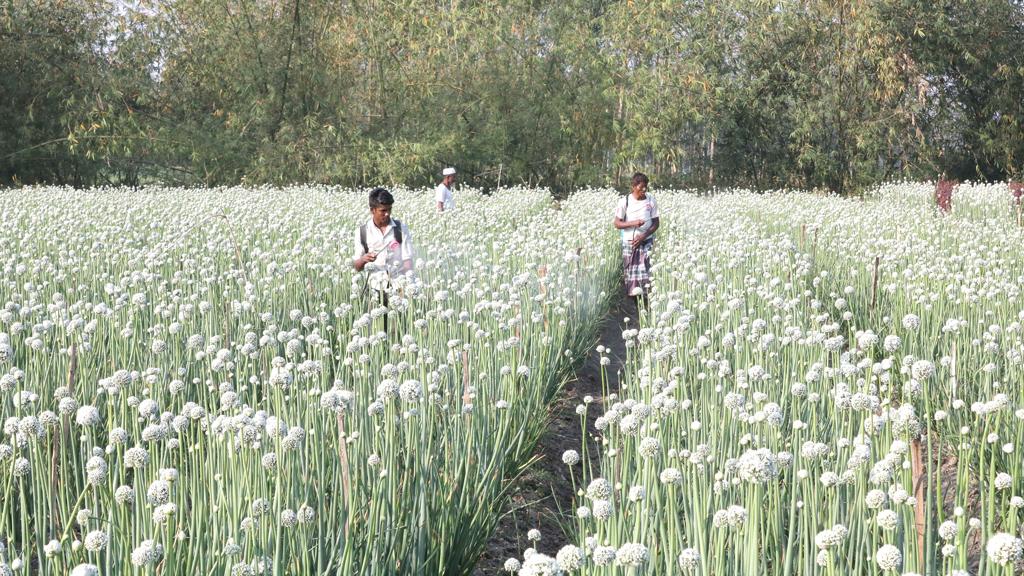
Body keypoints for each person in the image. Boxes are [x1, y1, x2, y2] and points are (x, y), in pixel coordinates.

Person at [353, 188, 414, 329]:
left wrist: (407, 286)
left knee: (396, 332)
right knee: (375, 332)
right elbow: (356, 266)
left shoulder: (400, 228)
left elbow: (408, 260)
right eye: (383, 210)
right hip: (374, 290)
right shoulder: (362, 232)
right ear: (372, 210)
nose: (387, 214)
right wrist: (364, 259)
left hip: (398, 290)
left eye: (389, 210)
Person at [613, 172, 659, 307]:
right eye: (641, 187)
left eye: (646, 187)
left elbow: (656, 223)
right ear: (633, 186)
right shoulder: (625, 201)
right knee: (631, 276)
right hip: (630, 243)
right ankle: (634, 306)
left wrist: (644, 236)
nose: (644, 190)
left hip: (646, 242)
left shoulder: (651, 200)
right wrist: (633, 223)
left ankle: (646, 305)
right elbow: (617, 223)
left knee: (646, 273)